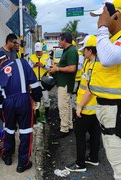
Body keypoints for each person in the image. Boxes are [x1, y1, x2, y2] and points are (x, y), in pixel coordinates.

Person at [0, 51, 42, 173]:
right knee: (25, 131)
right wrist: (37, 99)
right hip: (23, 100)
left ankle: (7, 157)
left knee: (8, 130)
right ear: (7, 57)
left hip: (7, 103)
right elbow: (34, 83)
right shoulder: (22, 62)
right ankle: (22, 163)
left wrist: (0, 111)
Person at [89, 1, 121, 179]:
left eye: (102, 15)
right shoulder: (112, 40)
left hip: (116, 110)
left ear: (116, 14)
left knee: (119, 165)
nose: (99, 20)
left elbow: (108, 59)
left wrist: (101, 27)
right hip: (109, 110)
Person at [65, 35, 101, 172]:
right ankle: (93, 158)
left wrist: (79, 106)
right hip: (93, 109)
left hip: (87, 108)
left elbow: (90, 90)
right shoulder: (90, 63)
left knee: (79, 134)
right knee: (94, 133)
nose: (82, 52)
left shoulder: (95, 66)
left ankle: (80, 164)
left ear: (90, 50)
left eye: (84, 50)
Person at [49, 32, 78, 138]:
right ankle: (68, 125)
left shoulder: (71, 51)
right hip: (64, 83)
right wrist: (56, 68)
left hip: (65, 83)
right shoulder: (67, 51)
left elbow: (72, 68)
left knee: (63, 106)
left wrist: (57, 68)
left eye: (59, 40)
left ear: (64, 40)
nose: (59, 42)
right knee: (68, 105)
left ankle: (64, 129)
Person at [29, 42, 52, 120]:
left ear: (42, 49)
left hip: (44, 81)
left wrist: (43, 66)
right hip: (35, 81)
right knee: (36, 98)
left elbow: (50, 68)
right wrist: (33, 65)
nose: (38, 52)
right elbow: (28, 68)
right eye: (37, 51)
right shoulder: (31, 57)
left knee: (45, 98)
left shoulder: (47, 57)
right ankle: (37, 113)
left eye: (39, 50)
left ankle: (47, 114)